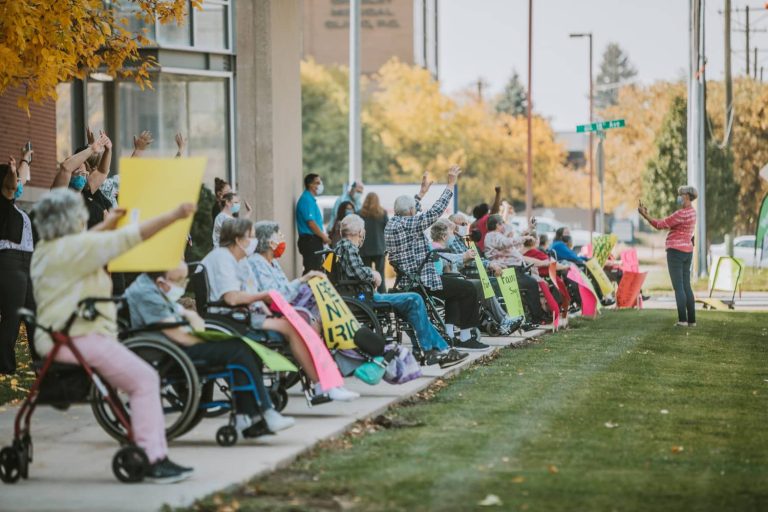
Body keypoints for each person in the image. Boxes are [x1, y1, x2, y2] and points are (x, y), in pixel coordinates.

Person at [30, 189, 195, 482]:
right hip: (79, 338)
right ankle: (152, 458)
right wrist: (173, 215)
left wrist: (107, 224)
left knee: (142, 379)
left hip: (60, 337)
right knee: (145, 380)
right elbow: (128, 238)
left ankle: (156, 452)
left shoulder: (47, 249)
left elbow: (85, 243)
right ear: (71, 220)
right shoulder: (72, 249)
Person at [125, 261, 295, 435]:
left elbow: (182, 314)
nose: (182, 285)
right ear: (161, 281)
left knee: (242, 348)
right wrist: (206, 340)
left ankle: (249, 415)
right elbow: (177, 334)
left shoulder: (152, 286)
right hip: (168, 351)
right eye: (179, 281)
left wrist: (190, 316)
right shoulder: (146, 294)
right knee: (238, 349)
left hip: (174, 343)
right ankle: (264, 411)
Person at [201, 218, 359, 401]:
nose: (255, 241)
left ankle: (326, 383)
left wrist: (264, 304)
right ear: (238, 239)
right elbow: (231, 297)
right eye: (251, 236)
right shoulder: (222, 258)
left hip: (247, 313)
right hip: (231, 318)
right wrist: (262, 297)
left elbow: (250, 292)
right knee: (293, 328)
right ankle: (322, 385)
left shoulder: (240, 260)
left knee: (302, 323)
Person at [336, 214, 468, 367]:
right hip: (365, 299)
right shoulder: (348, 247)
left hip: (359, 296)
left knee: (412, 304)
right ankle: (433, 350)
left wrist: (370, 273)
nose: (363, 233)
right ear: (358, 231)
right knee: (414, 298)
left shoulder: (341, 246)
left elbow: (354, 270)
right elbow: (358, 273)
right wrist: (373, 274)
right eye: (363, 230)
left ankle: (436, 350)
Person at [385, 166, 489, 351]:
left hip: (407, 279)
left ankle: (449, 334)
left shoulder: (392, 223)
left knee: (456, 285)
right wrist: (450, 185)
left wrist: (421, 195)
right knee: (468, 288)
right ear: (410, 212)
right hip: (421, 280)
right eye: (413, 210)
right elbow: (434, 213)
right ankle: (466, 338)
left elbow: (410, 211)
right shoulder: (409, 224)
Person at [431, 218, 520, 336]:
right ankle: (500, 320)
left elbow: (474, 256)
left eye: (465, 224)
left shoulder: (466, 238)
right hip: (463, 273)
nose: (462, 227)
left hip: (461, 273)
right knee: (482, 284)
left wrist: (488, 263)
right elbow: (458, 260)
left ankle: (501, 319)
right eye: (460, 225)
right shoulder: (448, 244)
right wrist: (486, 263)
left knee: (487, 281)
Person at [638, 187, 698, 326]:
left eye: (681, 195)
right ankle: (692, 320)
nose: (679, 197)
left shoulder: (680, 214)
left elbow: (660, 225)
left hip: (675, 252)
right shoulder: (692, 213)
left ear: (687, 196)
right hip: (687, 251)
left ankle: (682, 320)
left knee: (679, 287)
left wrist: (645, 215)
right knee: (686, 286)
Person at [0, 148, 34, 374]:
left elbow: (18, 181)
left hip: (26, 261)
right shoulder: (2, 206)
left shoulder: (14, 209)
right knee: (13, 316)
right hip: (9, 262)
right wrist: (13, 172)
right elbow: (13, 185)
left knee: (34, 313)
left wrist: (24, 159)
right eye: (13, 180)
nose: (19, 184)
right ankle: (4, 366)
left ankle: (45, 366)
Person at [248, 220, 324, 320]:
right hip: (275, 311)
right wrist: (302, 279)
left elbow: (285, 288)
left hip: (286, 305)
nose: (282, 240)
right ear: (270, 243)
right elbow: (274, 296)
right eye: (279, 236)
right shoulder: (256, 262)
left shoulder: (273, 262)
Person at [483, 214, 548, 325]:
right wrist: (525, 238)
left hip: (514, 270)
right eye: (502, 223)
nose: (504, 226)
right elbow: (507, 242)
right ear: (498, 225)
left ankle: (537, 315)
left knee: (532, 282)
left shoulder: (496, 235)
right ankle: (537, 317)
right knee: (532, 283)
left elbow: (511, 241)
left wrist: (528, 231)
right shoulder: (493, 235)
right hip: (507, 271)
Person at [296, 173, 331, 274]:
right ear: (310, 185)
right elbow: (311, 223)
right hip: (310, 241)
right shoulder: (307, 200)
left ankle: (309, 289)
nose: (320, 185)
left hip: (313, 240)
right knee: (312, 271)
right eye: (317, 183)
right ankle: (306, 290)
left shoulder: (311, 200)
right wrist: (324, 237)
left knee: (315, 270)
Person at [359, 192, 389, 293]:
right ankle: (382, 296)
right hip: (379, 248)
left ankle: (367, 295)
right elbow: (387, 229)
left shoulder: (359, 213)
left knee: (366, 275)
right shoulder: (382, 213)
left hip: (364, 249)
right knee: (380, 274)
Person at [470, 186, 502, 253]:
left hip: (477, 251)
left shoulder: (473, 225)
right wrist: (498, 193)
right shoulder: (484, 220)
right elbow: (495, 210)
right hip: (488, 251)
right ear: (485, 212)